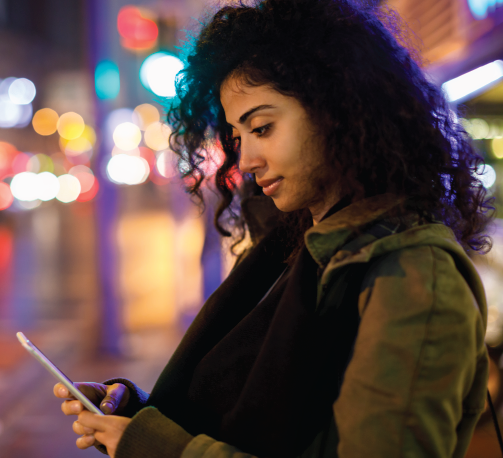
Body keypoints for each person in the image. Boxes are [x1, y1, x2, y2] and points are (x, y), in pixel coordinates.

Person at [54, 0, 493, 457]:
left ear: (338, 111)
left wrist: (159, 448)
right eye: (237, 137)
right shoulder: (301, 250)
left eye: (262, 128)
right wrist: (139, 419)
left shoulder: (415, 278)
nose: (245, 161)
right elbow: (259, 418)